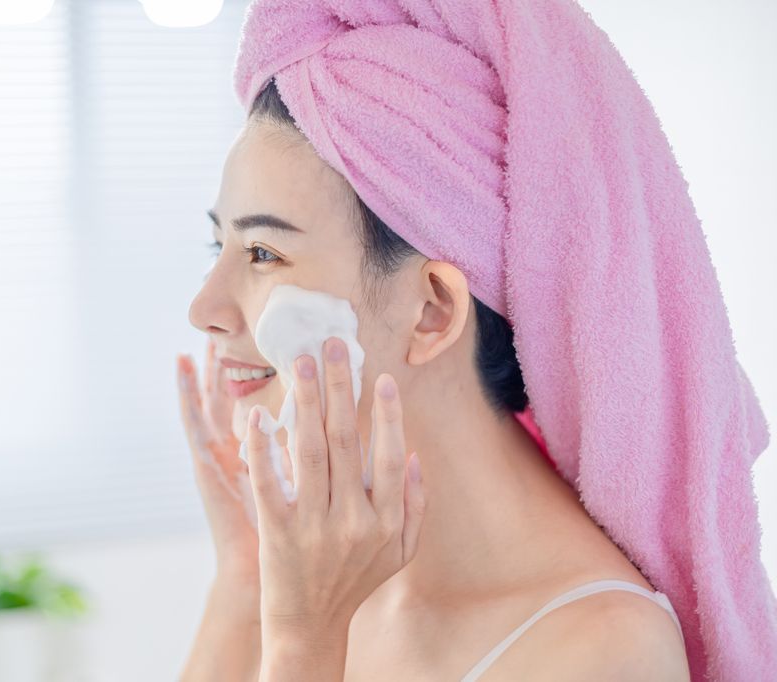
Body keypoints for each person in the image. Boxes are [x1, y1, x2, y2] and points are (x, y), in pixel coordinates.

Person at [174, 76, 690, 680]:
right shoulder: (329, 569)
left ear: (432, 311)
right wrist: (245, 577)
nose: (202, 310)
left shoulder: (604, 651)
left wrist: (302, 645)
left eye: (263, 253)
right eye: (219, 249)